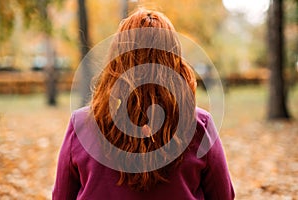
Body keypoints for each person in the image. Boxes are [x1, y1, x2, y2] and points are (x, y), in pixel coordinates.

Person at [52, 8, 235, 200]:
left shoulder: (82, 124)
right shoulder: (199, 125)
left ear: (117, 61)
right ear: (173, 62)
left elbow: (61, 196)